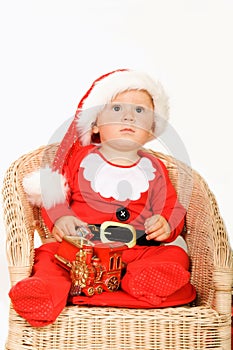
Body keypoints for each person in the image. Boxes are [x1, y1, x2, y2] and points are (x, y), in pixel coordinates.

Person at [9, 69, 196, 327]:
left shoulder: (155, 168)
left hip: (135, 252)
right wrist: (61, 217)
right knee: (48, 255)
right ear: (95, 124)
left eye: (140, 111)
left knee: (175, 254)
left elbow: (171, 206)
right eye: (117, 109)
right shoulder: (79, 159)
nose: (129, 115)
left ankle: (141, 281)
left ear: (151, 129)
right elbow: (55, 193)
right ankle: (44, 293)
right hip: (80, 251)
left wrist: (165, 223)